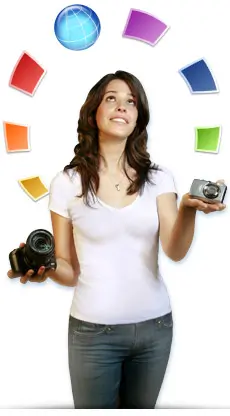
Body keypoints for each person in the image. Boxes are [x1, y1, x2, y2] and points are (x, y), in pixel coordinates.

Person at [7, 70, 226, 409]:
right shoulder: (67, 183)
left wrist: (187, 210)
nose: (122, 106)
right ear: (94, 111)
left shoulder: (159, 179)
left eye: (131, 101)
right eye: (111, 98)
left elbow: (175, 250)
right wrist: (47, 268)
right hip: (93, 334)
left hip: (156, 329)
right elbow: (69, 271)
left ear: (138, 118)